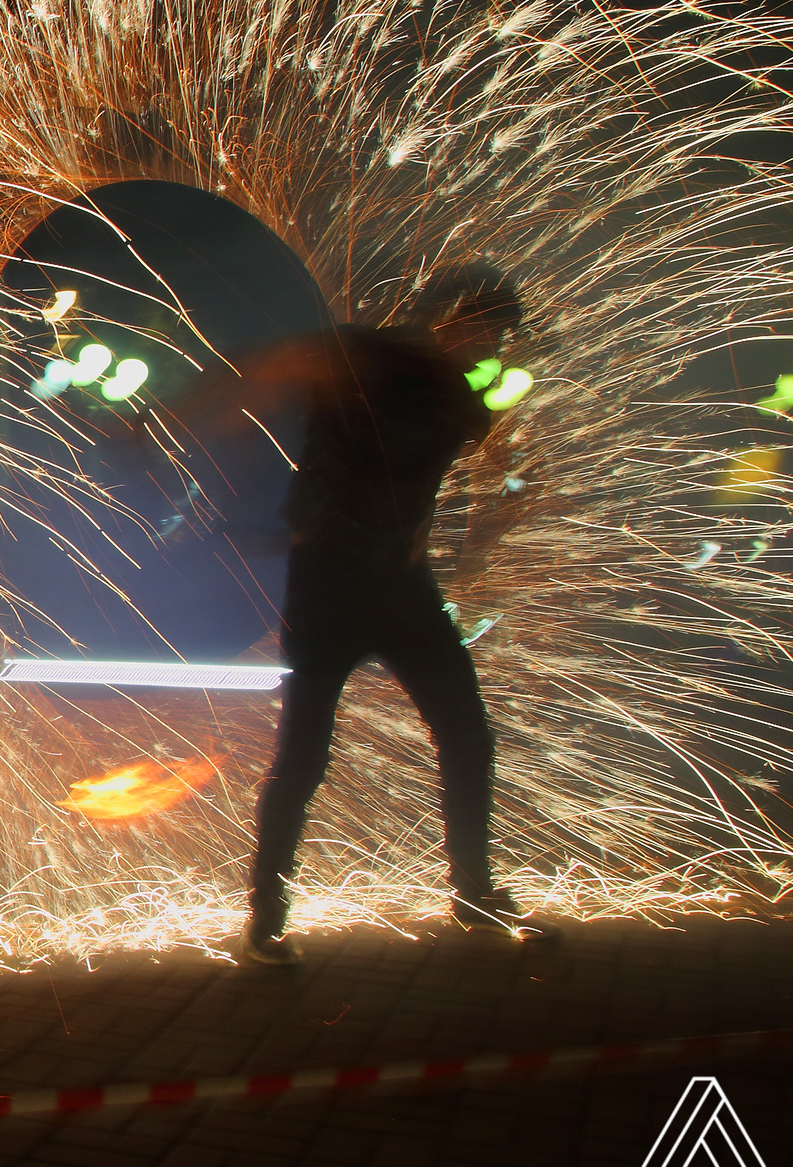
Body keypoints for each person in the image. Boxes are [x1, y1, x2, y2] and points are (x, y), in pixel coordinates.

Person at [178, 265, 542, 965]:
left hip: (403, 587)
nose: (495, 346)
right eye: (491, 330)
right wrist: (179, 426)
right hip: (333, 585)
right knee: (304, 756)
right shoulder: (363, 352)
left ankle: (473, 893)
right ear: (454, 317)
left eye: (503, 336)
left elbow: (505, 472)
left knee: (467, 734)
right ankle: (266, 921)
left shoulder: (462, 393)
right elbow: (264, 370)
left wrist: (468, 539)